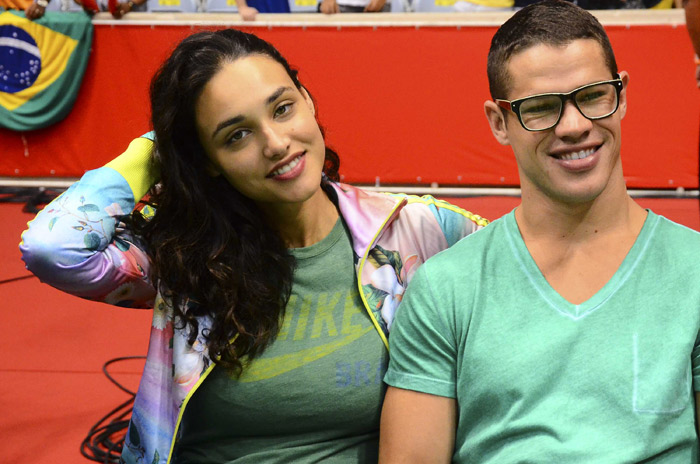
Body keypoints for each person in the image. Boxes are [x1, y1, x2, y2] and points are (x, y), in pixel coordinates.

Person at [19, 28, 487, 464]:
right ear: (208, 161)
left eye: (283, 107)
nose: (276, 143)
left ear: (307, 99)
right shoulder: (184, 257)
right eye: (236, 134)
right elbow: (54, 249)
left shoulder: (415, 230)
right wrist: (158, 148)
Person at [379, 1, 700, 462]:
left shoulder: (693, 272)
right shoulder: (445, 289)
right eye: (541, 108)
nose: (574, 126)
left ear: (622, 95)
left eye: (592, 96)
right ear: (498, 122)